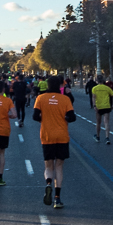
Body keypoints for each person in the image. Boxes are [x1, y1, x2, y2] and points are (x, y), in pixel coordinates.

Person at [33, 75, 76, 208]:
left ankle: (48, 183)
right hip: (62, 136)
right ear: (59, 85)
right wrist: (64, 117)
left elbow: (35, 116)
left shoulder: (40, 98)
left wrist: (43, 118)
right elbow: (72, 117)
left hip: (47, 136)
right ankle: (57, 198)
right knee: (59, 166)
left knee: (48, 166)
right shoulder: (65, 99)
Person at [91, 79, 113, 145]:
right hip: (106, 106)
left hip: (99, 107)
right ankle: (107, 137)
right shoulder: (107, 88)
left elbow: (93, 97)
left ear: (97, 81)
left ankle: (98, 136)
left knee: (98, 122)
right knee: (106, 122)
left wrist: (94, 106)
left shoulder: (94, 88)